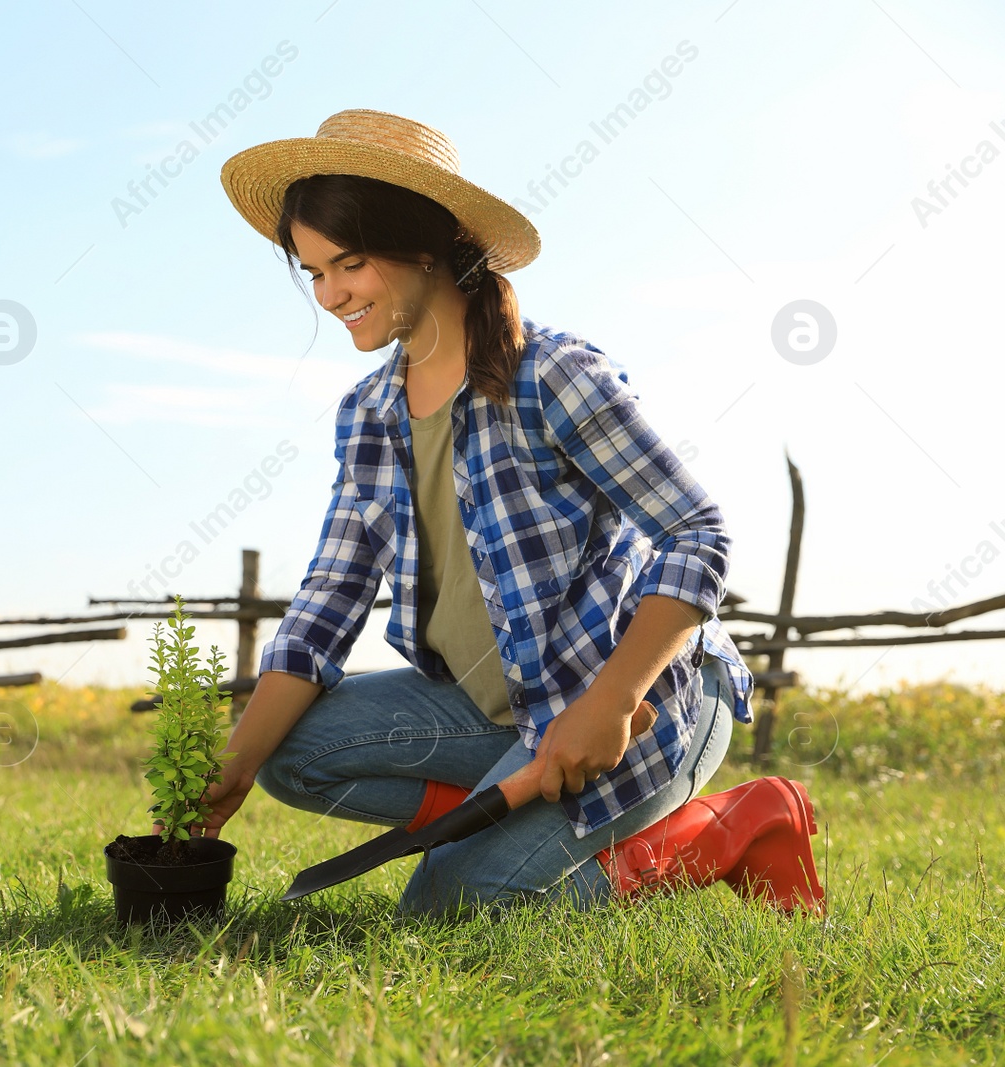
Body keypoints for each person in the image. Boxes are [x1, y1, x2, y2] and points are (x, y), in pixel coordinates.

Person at [172, 108, 824, 918]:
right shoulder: (368, 414)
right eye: (312, 272)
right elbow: (329, 599)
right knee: (288, 753)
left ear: (426, 246)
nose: (330, 294)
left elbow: (697, 532)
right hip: (495, 711)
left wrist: (612, 701)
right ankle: (505, 813)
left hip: (642, 706)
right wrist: (232, 766)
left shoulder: (553, 377)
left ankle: (727, 824)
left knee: (452, 911)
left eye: (349, 264)